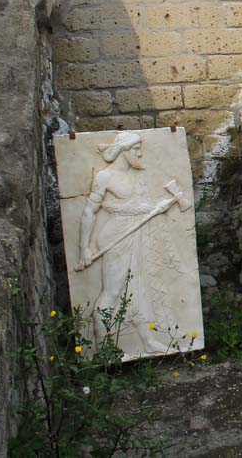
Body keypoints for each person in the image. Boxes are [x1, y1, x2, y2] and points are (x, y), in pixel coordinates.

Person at [76, 132, 172, 353]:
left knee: (137, 289)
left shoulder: (136, 175)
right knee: (113, 291)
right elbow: (89, 211)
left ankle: (147, 342)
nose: (140, 153)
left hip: (133, 233)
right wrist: (84, 249)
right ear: (125, 151)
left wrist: (159, 206)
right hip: (116, 236)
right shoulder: (105, 176)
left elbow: (140, 205)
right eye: (137, 149)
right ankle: (104, 349)